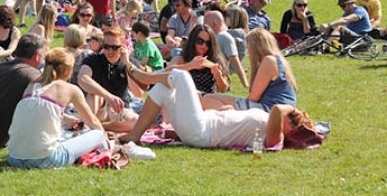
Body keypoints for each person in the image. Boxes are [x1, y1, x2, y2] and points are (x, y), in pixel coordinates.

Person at [120, 68, 314, 150]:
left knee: (182, 77)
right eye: (294, 117)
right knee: (164, 89)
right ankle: (135, 134)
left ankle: (145, 78)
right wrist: (230, 112)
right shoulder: (271, 127)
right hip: (203, 125)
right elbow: (241, 127)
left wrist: (291, 108)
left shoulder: (275, 138)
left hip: (202, 132)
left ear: (294, 133)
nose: (290, 118)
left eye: (294, 120)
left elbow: (277, 110)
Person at [7, 48, 108, 169]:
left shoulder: (32, 86)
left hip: (14, 158)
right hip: (45, 159)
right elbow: (93, 122)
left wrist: (64, 117)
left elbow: (35, 113)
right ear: (69, 70)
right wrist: (107, 140)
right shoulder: (70, 89)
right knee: (98, 134)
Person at [202, 29, 298, 112]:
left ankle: (231, 124)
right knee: (211, 99)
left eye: (248, 48)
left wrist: (235, 111)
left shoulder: (269, 61)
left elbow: (253, 98)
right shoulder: (280, 61)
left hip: (269, 110)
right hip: (279, 109)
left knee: (208, 99)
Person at [77, 27, 145, 132]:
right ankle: (91, 126)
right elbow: (82, 78)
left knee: (137, 121)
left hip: (119, 110)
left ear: (123, 47)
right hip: (98, 107)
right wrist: (108, 96)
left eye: (114, 47)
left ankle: (98, 127)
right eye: (106, 46)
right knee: (94, 95)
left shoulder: (131, 63)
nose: (110, 51)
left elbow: (138, 93)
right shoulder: (93, 60)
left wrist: (127, 64)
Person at [168, 24, 229, 94]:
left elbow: (223, 89)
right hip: (185, 98)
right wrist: (190, 66)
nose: (204, 45)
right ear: (193, 41)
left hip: (206, 100)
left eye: (208, 43)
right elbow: (166, 73)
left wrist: (218, 75)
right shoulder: (181, 59)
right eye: (200, 41)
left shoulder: (215, 60)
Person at [203, 12, 249, 89]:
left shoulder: (224, 37)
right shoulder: (212, 37)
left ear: (214, 23)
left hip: (213, 76)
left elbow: (236, 62)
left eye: (205, 22)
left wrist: (245, 84)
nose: (203, 25)